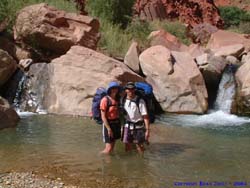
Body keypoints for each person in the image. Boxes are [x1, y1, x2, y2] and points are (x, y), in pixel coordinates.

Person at [122, 82, 150, 154]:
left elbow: (145, 116)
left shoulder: (140, 101)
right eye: (128, 89)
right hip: (127, 126)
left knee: (139, 146)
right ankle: (128, 162)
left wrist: (147, 130)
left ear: (134, 90)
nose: (130, 90)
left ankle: (142, 162)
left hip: (139, 127)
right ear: (126, 90)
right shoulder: (123, 100)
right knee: (127, 145)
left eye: (132, 89)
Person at [100, 81, 121, 154]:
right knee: (108, 148)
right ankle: (100, 159)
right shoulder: (105, 100)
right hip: (108, 124)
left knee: (112, 147)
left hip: (116, 123)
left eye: (116, 88)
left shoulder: (117, 99)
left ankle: (110, 163)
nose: (115, 90)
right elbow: (103, 116)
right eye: (113, 88)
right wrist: (108, 128)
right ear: (110, 89)